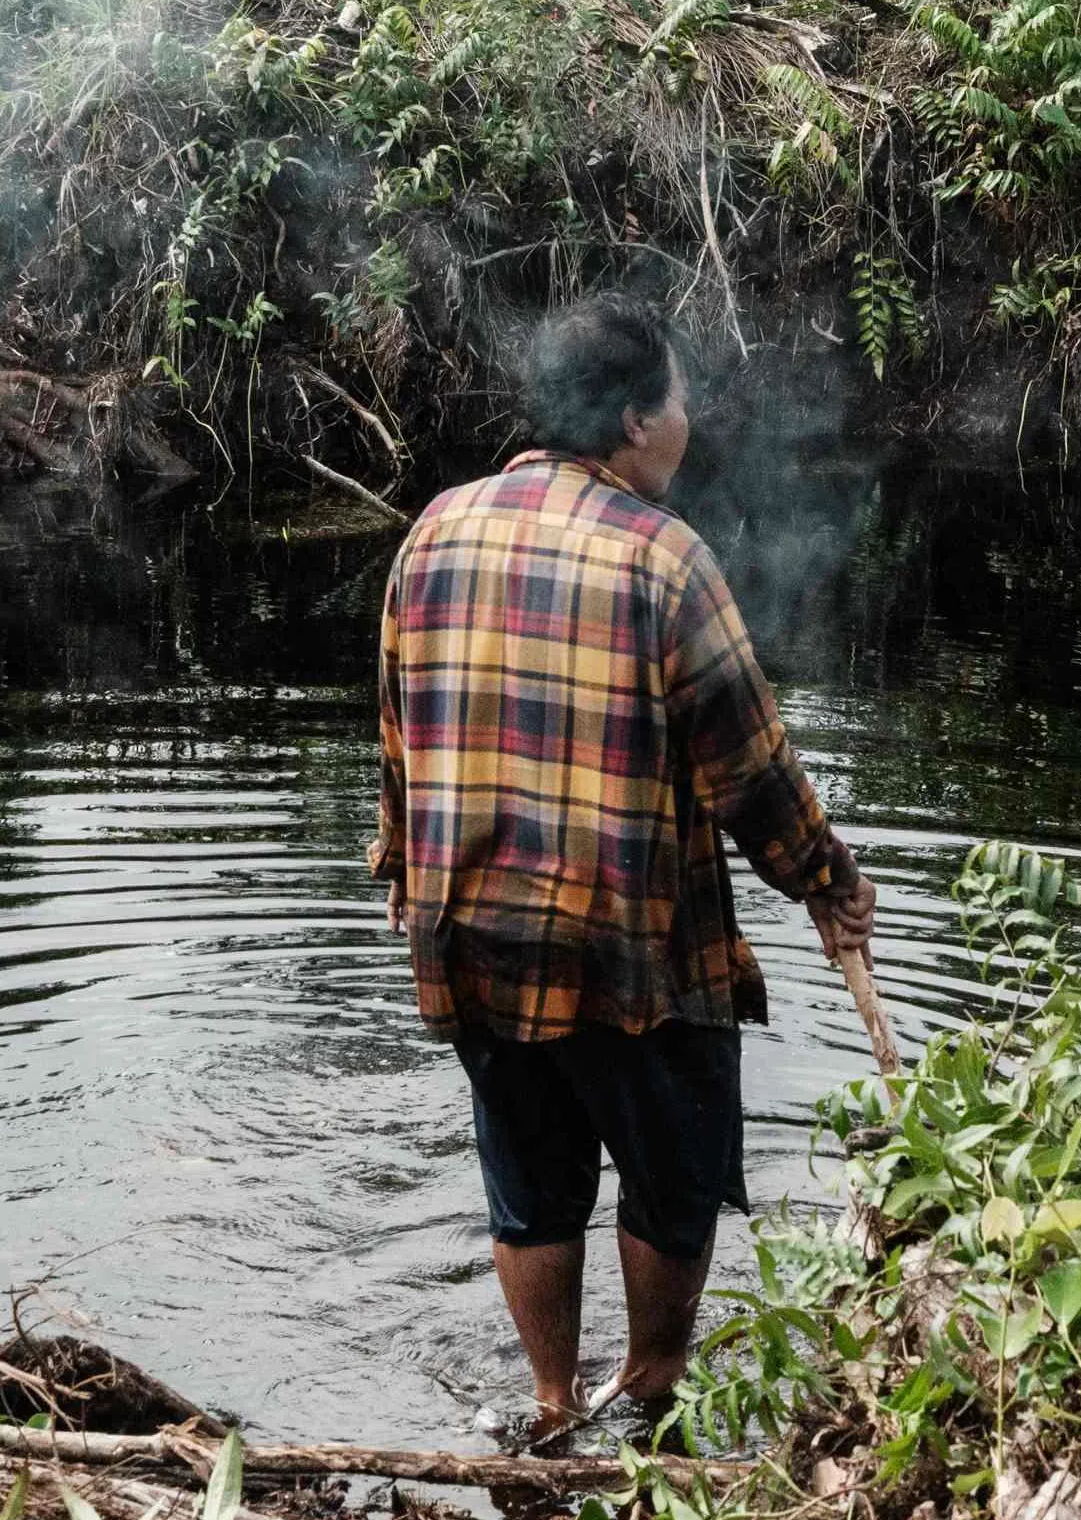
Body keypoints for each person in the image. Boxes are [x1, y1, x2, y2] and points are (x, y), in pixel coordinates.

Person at [373, 293, 877, 1449]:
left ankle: (551, 1407)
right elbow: (748, 769)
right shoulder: (664, 558)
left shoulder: (434, 532)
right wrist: (827, 879)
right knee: (670, 1176)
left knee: (531, 1181)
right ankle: (649, 1392)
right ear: (637, 420)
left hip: (474, 938)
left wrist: (410, 883)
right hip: (628, 950)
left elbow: (399, 744)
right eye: (682, 397)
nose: (689, 417)